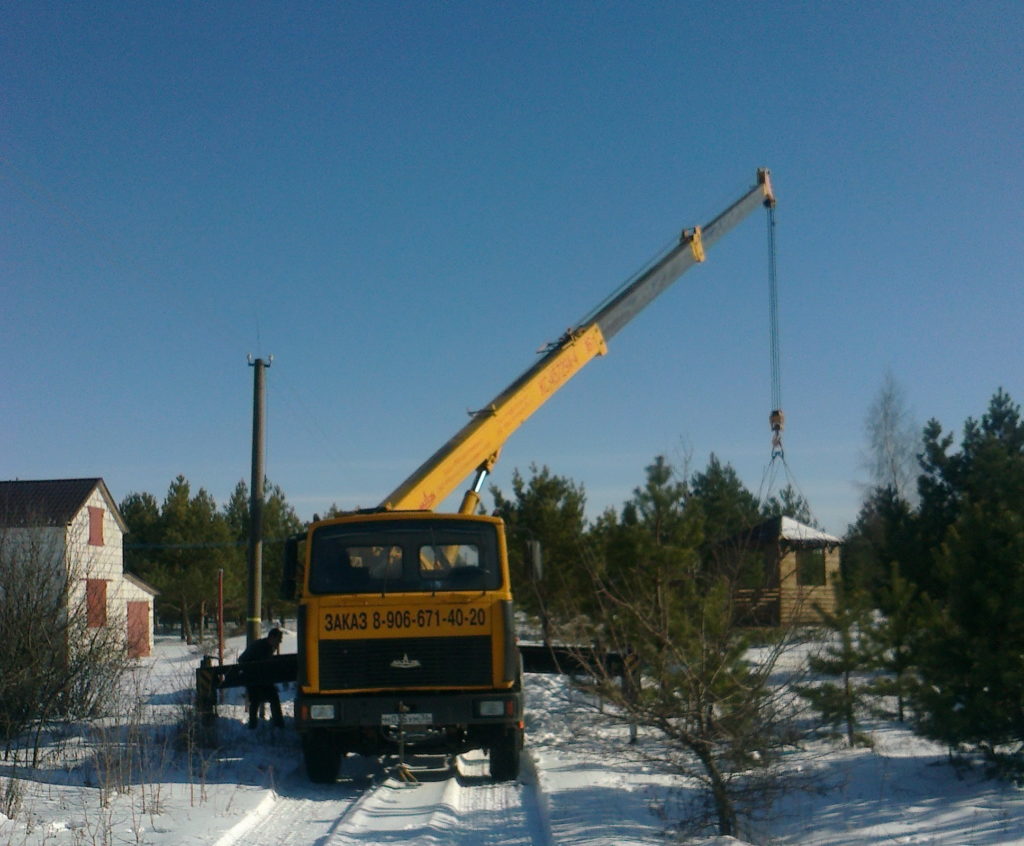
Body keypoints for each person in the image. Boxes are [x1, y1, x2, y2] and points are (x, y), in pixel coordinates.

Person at [239, 627, 285, 729]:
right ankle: (253, 726)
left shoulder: (268, 647)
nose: (278, 644)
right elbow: (242, 660)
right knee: (256, 701)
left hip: (262, 679)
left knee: (273, 698)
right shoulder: (260, 646)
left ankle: (278, 724)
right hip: (253, 679)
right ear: (272, 638)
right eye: (278, 640)